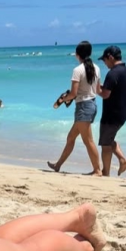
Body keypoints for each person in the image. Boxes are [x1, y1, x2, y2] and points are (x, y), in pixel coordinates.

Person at [48, 41, 102, 176]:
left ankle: (97, 170)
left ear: (77, 54)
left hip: (83, 107)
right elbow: (97, 90)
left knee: (88, 141)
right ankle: (58, 165)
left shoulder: (77, 70)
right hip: (92, 104)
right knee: (71, 137)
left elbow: (73, 94)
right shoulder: (97, 68)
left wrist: (63, 99)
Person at [96, 46, 126, 176]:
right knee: (109, 139)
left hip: (111, 115)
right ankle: (118, 162)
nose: (105, 63)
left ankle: (108, 170)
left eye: (105, 60)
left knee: (105, 144)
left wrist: (96, 90)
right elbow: (116, 88)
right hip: (122, 113)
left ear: (110, 57)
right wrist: (101, 86)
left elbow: (105, 94)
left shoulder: (112, 73)